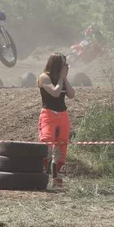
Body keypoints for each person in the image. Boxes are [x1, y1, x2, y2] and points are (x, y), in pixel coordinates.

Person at [38, 53, 76, 188]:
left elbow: (71, 94)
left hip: (63, 114)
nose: (65, 66)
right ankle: (42, 178)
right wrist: (61, 78)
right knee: (46, 145)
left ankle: (57, 181)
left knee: (62, 147)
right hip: (49, 114)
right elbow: (55, 92)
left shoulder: (62, 79)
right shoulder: (44, 77)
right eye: (63, 64)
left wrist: (64, 79)